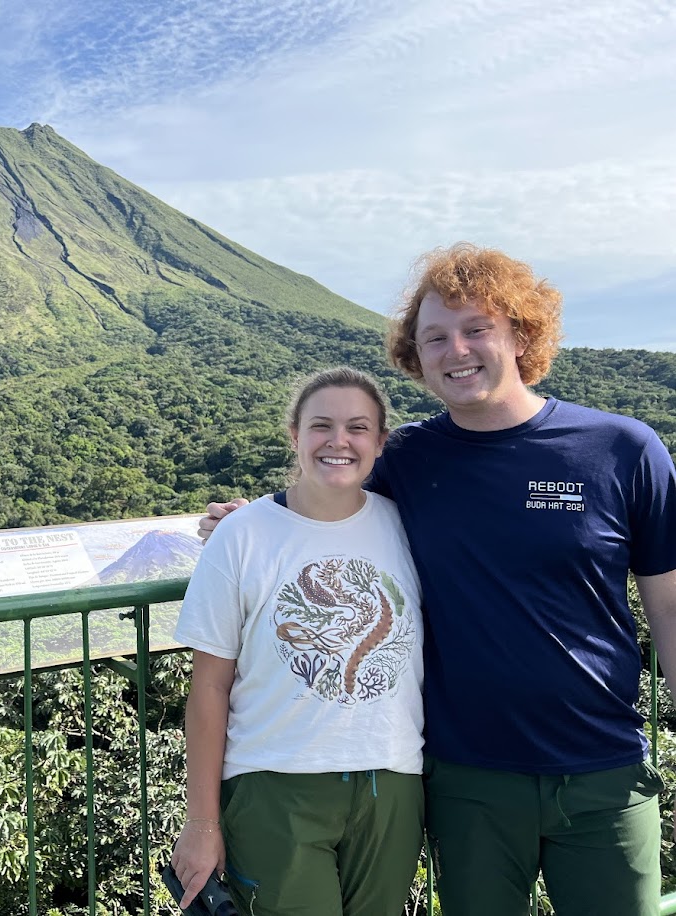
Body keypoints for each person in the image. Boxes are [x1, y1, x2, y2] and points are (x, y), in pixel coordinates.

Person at [199, 243, 676, 916]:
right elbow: (323, 496)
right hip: (466, 779)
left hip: (603, 769)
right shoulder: (408, 459)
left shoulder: (622, 450)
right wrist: (245, 518)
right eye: (435, 338)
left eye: (476, 328)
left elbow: (670, 610)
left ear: (521, 333)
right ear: (415, 357)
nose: (457, 350)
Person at [171, 367, 426, 916]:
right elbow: (209, 689)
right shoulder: (241, 535)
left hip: (392, 778)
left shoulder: (407, 527)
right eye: (321, 426)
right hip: (274, 782)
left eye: (358, 428)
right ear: (294, 435)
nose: (339, 441)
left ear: (381, 443)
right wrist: (202, 821)